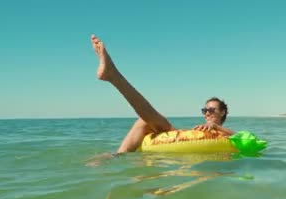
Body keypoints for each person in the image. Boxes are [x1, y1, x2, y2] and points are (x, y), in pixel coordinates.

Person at [90, 34, 235, 155]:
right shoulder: (200, 131)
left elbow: (242, 137)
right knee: (143, 121)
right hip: (180, 148)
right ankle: (117, 156)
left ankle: (114, 76)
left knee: (152, 120)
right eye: (205, 110)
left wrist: (216, 128)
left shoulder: (226, 134)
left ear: (222, 112)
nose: (207, 113)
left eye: (211, 110)